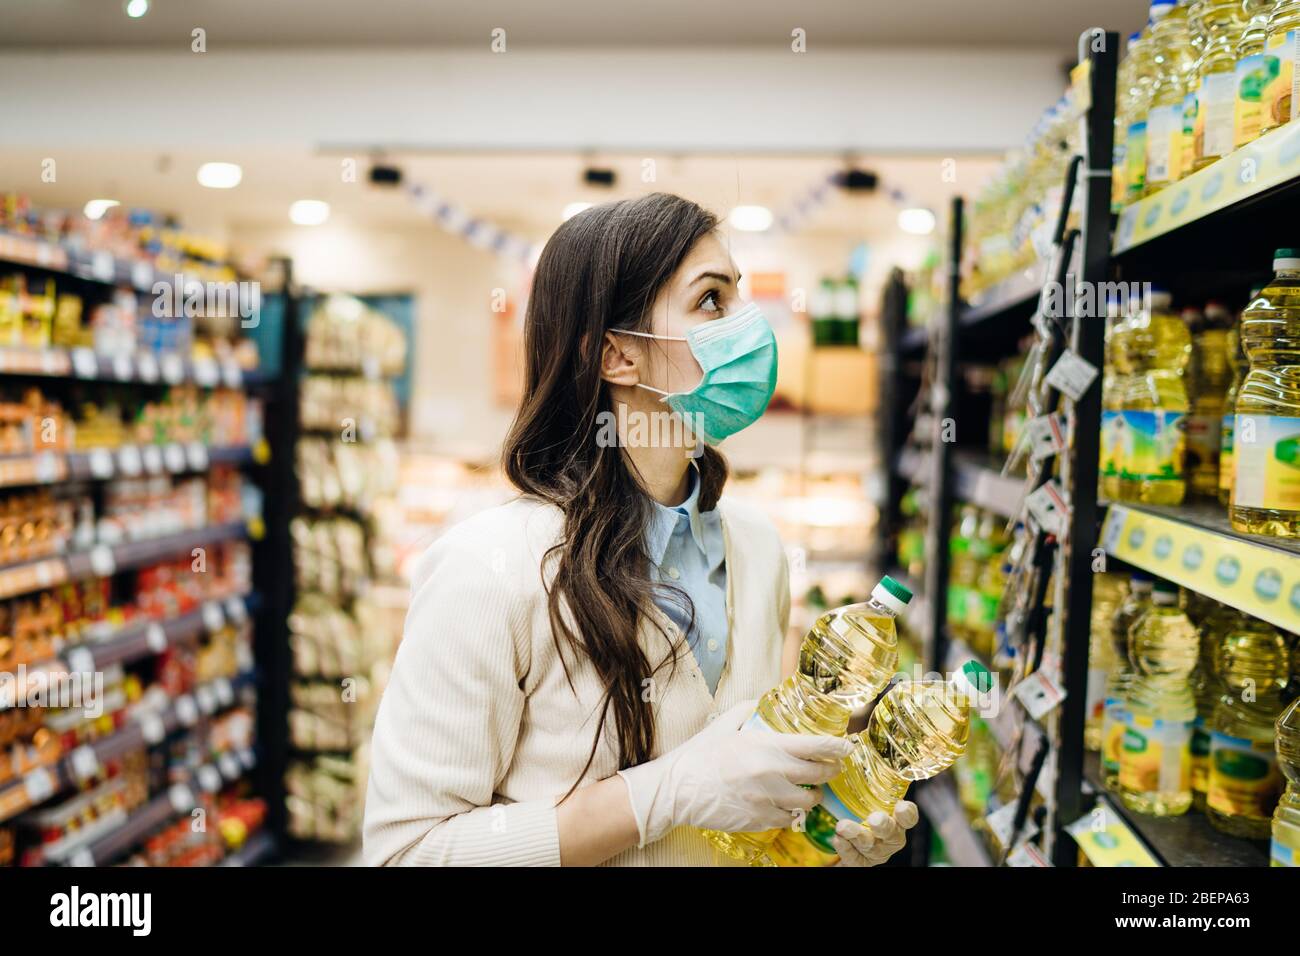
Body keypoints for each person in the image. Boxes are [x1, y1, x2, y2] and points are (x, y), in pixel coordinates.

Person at [363, 192, 917, 866]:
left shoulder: (757, 549)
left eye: (740, 297)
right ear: (616, 356)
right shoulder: (491, 567)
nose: (753, 327)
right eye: (712, 301)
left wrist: (817, 839)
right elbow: (409, 852)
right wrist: (667, 792)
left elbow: (730, 818)